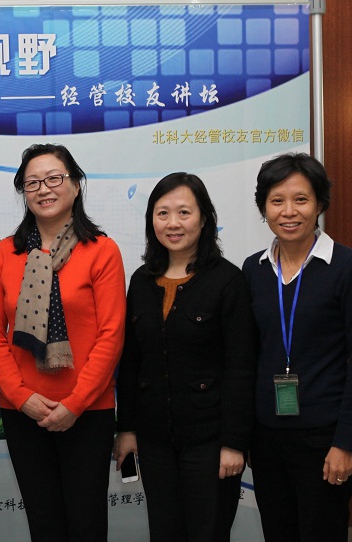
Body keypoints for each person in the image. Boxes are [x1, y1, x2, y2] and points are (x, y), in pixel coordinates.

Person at [0, 143, 126, 541]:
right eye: (32, 183)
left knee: (86, 524)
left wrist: (75, 404)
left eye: (54, 178)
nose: (43, 189)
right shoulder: (4, 254)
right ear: (23, 192)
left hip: (88, 410)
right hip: (23, 410)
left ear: (76, 185)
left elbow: (111, 334)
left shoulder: (102, 251)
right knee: (43, 524)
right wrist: (21, 397)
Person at [113, 173, 257, 541]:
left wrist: (234, 443)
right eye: (162, 213)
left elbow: (240, 367)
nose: (173, 223)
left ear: (204, 218)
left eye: (184, 212)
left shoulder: (227, 281)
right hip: (154, 440)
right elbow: (131, 361)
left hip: (211, 441)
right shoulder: (141, 281)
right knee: (164, 531)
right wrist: (126, 429)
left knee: (207, 532)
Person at [242, 153, 352, 542]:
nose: (289, 211)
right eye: (277, 200)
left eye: (301, 199)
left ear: (319, 204)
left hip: (324, 437)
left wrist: (345, 443)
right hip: (267, 438)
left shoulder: (348, 266)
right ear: (263, 208)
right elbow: (247, 357)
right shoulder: (254, 269)